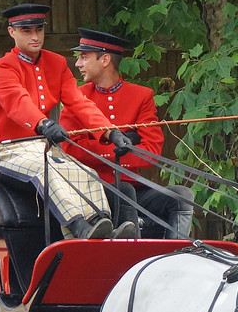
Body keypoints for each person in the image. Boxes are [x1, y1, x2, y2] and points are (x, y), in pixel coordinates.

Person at [0, 4, 139, 240]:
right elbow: (18, 102)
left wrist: (110, 132)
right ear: (11, 32)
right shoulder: (3, 66)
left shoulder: (56, 63)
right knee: (46, 168)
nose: (35, 37)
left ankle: (101, 223)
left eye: (39, 29)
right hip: (10, 149)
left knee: (83, 170)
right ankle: (77, 227)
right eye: (27, 31)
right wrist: (43, 124)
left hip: (43, 148)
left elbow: (79, 103)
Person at [69, 28, 185, 238]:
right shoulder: (76, 97)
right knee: (123, 190)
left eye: (83, 57)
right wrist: (116, 149)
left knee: (181, 196)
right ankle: (133, 256)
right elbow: (71, 148)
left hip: (132, 186)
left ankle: (175, 256)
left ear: (104, 60)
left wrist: (100, 148)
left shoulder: (141, 96)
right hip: (90, 191)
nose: (78, 63)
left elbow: (151, 151)